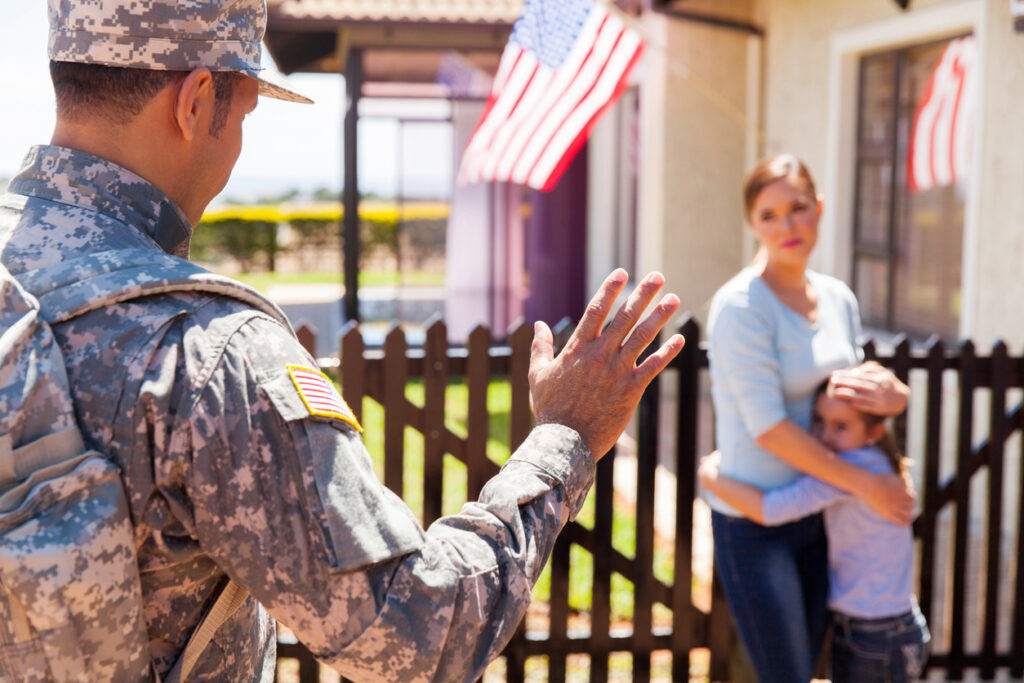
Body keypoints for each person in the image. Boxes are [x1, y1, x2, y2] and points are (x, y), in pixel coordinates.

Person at [0, 1, 685, 680]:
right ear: (195, 100)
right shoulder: (206, 349)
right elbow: (418, 634)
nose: (236, 143)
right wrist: (564, 438)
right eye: (242, 116)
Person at [705, 153, 915, 681]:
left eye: (797, 208)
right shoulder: (741, 307)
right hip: (756, 519)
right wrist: (867, 486)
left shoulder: (839, 298)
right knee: (788, 675)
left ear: (819, 208)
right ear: (752, 223)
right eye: (769, 215)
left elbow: (855, 396)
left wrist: (897, 399)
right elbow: (769, 428)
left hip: (822, 514)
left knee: (819, 666)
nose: (787, 226)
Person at [699, 379, 930, 682]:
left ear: (875, 432)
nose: (825, 436)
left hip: (874, 638)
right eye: (819, 422)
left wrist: (710, 475)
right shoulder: (873, 462)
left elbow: (771, 509)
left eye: (841, 427)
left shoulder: (845, 471)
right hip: (889, 629)